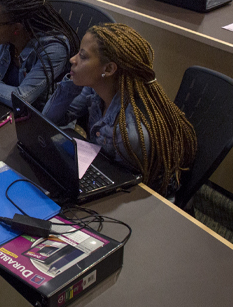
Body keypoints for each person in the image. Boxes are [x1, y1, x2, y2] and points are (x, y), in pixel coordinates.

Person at [42, 23, 197, 196]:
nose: (73, 59)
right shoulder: (96, 88)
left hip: (141, 199)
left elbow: (125, 187)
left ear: (108, 69)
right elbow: (48, 120)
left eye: (83, 57)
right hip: (105, 171)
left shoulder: (130, 133)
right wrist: (72, 83)